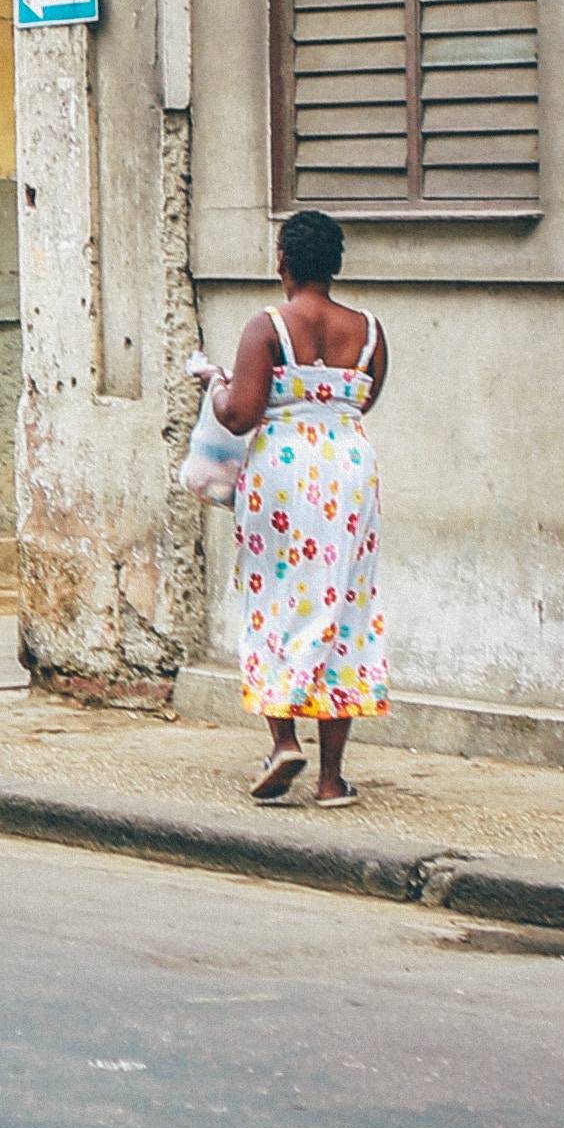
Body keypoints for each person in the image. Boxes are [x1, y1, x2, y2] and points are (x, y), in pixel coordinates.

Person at [217, 208, 388, 806]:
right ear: (335, 265)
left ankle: (283, 740)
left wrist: (215, 390)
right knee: (342, 603)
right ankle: (332, 778)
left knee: (275, 600)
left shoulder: (267, 327)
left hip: (283, 474)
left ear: (283, 260)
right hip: (349, 470)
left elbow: (239, 413)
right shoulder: (368, 330)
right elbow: (362, 402)